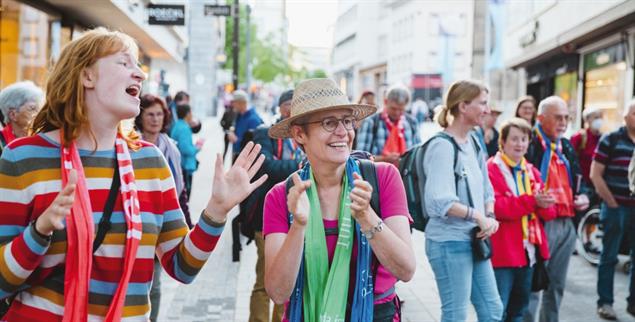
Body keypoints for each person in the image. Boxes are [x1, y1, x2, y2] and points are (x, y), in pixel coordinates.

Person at [0, 27, 267, 321]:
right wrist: (40, 230)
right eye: (124, 63)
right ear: (86, 76)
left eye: (138, 65)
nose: (139, 74)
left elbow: (182, 267)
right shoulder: (22, 158)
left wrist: (216, 210)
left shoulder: (150, 161)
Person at [263, 78, 415, 321]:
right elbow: (278, 293)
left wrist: (367, 217)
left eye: (347, 121)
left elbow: (406, 269)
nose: (344, 132)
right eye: (329, 123)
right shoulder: (281, 196)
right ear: (299, 133)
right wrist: (298, 227)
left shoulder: (383, 178)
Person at [423, 79, 503, 322]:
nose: (488, 110)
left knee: (492, 311)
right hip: (448, 243)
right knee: (455, 315)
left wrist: (489, 216)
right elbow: (439, 201)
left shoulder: (474, 143)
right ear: (463, 106)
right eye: (483, 103)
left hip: (473, 240)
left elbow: (487, 188)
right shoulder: (442, 147)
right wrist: (478, 216)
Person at [523, 96, 590, 322]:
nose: (563, 122)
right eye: (558, 117)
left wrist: (584, 197)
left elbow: (582, 179)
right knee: (534, 282)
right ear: (541, 119)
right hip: (540, 223)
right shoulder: (529, 143)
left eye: (566, 118)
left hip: (567, 222)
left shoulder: (567, 145)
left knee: (557, 284)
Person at [488, 118, 557, 322]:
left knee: (519, 311)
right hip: (502, 253)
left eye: (524, 139)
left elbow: (549, 213)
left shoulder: (531, 171)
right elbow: (498, 207)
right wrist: (533, 202)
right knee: (496, 312)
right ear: (503, 142)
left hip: (528, 253)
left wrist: (546, 204)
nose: (519, 144)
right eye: (514, 139)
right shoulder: (492, 168)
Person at [134, 93, 192, 321]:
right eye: (150, 114)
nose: (155, 119)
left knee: (155, 286)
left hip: (162, 223)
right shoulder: (131, 146)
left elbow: (180, 192)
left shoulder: (171, 148)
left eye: (159, 114)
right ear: (141, 117)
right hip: (136, 221)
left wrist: (187, 223)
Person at [248, 89, 302, 322]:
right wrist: (301, 164)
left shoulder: (304, 133)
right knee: (264, 279)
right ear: (280, 108)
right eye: (288, 104)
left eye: (297, 105)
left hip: (298, 215)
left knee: (289, 282)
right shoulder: (265, 133)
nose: (292, 110)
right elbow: (268, 167)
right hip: (266, 214)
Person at [590, 99, 635, 320]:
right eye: (634, 113)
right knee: (609, 257)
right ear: (625, 117)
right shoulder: (611, 139)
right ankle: (605, 302)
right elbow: (595, 175)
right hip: (615, 207)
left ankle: (633, 303)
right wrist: (612, 203)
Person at [355, 84, 421, 165]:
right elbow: (360, 158)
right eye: (393, 108)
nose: (397, 113)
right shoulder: (371, 122)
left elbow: (418, 155)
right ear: (385, 102)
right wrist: (384, 159)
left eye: (401, 109)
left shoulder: (412, 122)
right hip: (378, 175)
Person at [0, 81, 44, 151]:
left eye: (39, 109)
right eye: (32, 108)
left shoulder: (43, 139)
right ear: (13, 115)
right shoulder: (2, 142)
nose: (38, 113)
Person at [170, 104, 200, 200]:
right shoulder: (184, 128)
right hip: (185, 167)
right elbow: (185, 149)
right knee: (185, 198)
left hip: (180, 165)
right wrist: (196, 148)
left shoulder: (177, 125)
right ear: (187, 114)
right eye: (191, 112)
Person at [571, 107, 604, 186]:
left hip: (600, 184)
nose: (599, 120)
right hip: (583, 184)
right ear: (587, 120)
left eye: (600, 117)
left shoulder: (604, 139)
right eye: (596, 117)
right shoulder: (580, 137)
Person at [228, 89, 263, 161]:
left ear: (242, 103)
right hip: (238, 155)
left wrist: (236, 140)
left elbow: (255, 144)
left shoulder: (253, 119)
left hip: (246, 160)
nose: (232, 105)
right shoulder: (239, 115)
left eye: (234, 102)